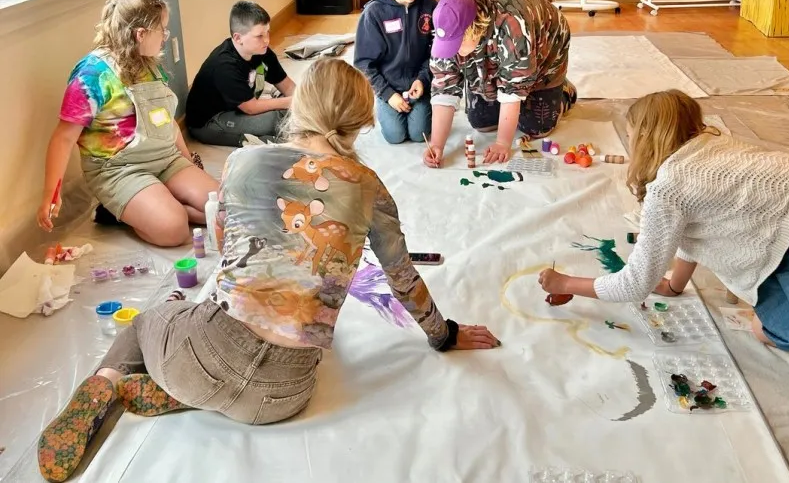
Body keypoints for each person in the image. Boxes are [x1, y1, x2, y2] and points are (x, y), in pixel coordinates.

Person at [36, 58, 500, 483]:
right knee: (258, 341)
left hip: (201, 354)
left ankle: (107, 383)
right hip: (284, 396)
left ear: (301, 105)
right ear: (360, 122)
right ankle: (194, 392)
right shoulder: (370, 187)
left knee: (150, 318)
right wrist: (444, 335)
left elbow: (223, 248)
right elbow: (402, 276)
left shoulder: (241, 161)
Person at [538, 90, 789, 393]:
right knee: (762, 330)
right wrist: (675, 285)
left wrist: (565, 284)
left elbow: (635, 283)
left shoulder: (668, 187)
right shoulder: (711, 144)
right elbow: (695, 229)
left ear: (646, 139)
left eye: (629, 135)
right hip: (787, 234)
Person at [37, 0, 218, 248]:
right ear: (140, 34)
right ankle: (128, 212)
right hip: (119, 170)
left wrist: (188, 162)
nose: (166, 37)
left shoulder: (150, 64)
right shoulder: (92, 75)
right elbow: (63, 139)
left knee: (220, 206)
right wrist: (50, 196)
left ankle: (155, 202)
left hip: (165, 158)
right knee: (174, 230)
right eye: (162, 31)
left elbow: (166, 122)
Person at [422, 0, 576, 168]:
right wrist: (437, 144)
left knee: (537, 127)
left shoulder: (512, 25)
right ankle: (501, 82)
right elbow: (444, 86)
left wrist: (503, 143)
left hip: (544, 49)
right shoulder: (448, 25)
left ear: (475, 29)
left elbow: (513, 88)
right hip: (496, 53)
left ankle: (563, 91)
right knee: (481, 122)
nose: (452, 51)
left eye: (458, 44)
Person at [354, 0, 436, 144]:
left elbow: (435, 54)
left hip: (419, 84)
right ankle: (384, 104)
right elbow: (364, 63)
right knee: (395, 136)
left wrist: (423, 80)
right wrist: (388, 94)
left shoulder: (430, 8)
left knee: (419, 135)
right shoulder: (374, 12)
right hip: (388, 86)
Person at [185, 1, 295, 147]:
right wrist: (292, 103)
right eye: (259, 36)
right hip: (210, 121)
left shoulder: (262, 51)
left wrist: (305, 100)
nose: (267, 40)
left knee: (294, 112)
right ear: (238, 38)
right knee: (277, 121)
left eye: (268, 32)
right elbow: (251, 107)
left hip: (240, 107)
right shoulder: (224, 65)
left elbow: (287, 86)